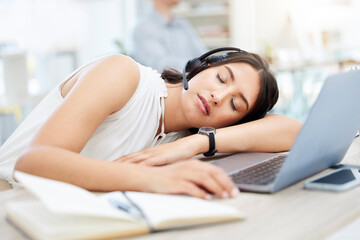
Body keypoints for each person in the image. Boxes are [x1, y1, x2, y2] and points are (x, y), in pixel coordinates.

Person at [0, 48, 302, 200]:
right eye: (221, 78)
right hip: (11, 204)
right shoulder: (123, 74)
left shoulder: (182, 138)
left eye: (235, 105)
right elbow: (34, 164)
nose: (218, 96)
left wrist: (198, 142)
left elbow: (294, 132)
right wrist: (156, 179)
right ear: (199, 66)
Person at [131, 0, 207, 72]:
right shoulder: (143, 28)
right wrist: (197, 64)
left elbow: (203, 54)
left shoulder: (183, 24)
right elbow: (160, 65)